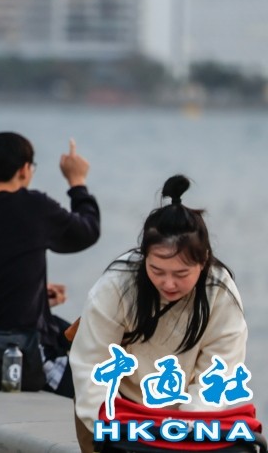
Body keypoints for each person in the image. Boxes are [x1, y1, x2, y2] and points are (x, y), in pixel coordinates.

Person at [70, 174, 247, 453]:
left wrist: (184, 430)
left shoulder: (219, 292)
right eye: (157, 271)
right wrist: (113, 429)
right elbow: (92, 366)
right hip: (118, 405)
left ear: (203, 262)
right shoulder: (116, 286)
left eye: (181, 274)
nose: (168, 283)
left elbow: (218, 372)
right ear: (144, 258)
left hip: (186, 411)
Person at [0, 132, 100, 397]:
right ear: (24, 169)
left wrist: (36, 295)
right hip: (23, 346)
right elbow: (87, 230)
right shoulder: (32, 206)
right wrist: (77, 182)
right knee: (100, 389)